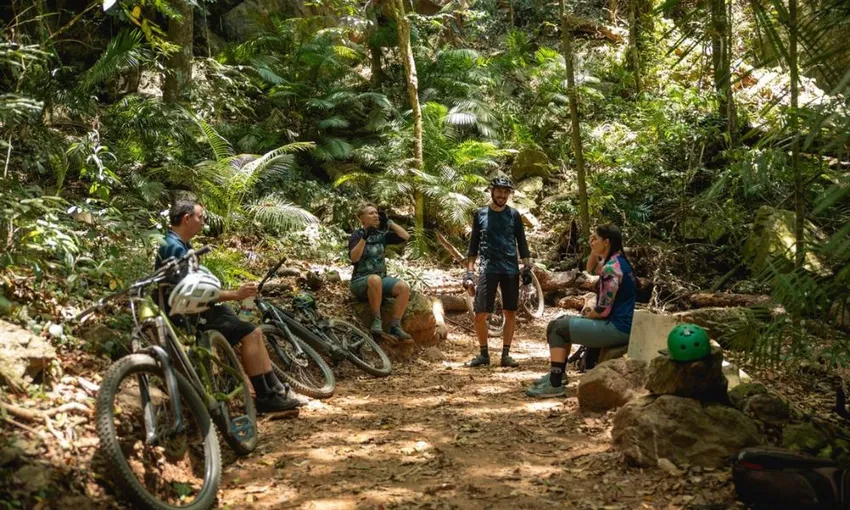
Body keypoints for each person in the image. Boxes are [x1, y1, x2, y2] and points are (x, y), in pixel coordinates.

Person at [157, 199, 302, 413]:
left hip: (196, 308)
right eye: (200, 217)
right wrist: (235, 294)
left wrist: (235, 294)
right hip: (185, 314)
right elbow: (191, 293)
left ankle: (276, 389)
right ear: (186, 219)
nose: (203, 222)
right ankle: (264, 396)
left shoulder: (181, 245)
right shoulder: (173, 248)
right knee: (250, 333)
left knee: (254, 331)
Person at [526, 224, 637, 398]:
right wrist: (595, 250)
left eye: (595, 238)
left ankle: (555, 384)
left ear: (606, 242)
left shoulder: (611, 268)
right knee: (561, 321)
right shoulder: (617, 260)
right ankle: (559, 374)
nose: (591, 241)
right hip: (620, 324)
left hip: (616, 327)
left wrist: (587, 313)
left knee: (557, 328)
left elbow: (602, 311)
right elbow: (590, 268)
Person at [464, 176, 532, 368]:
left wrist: (526, 266)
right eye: (499, 191)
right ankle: (483, 354)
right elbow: (473, 245)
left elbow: (522, 242)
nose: (502, 195)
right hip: (487, 268)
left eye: (506, 192)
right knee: (480, 313)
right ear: (492, 191)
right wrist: (469, 273)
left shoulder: (514, 215)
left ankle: (506, 354)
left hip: (510, 269)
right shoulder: (481, 214)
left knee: (510, 312)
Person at [348, 203, 413, 340]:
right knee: (374, 280)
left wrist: (389, 223)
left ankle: (395, 325)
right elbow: (354, 258)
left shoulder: (381, 234)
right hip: (360, 281)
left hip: (380, 279)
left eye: (376, 213)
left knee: (404, 287)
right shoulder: (356, 235)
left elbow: (405, 236)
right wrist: (364, 237)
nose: (375, 215)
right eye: (371, 213)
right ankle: (377, 320)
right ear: (362, 218)